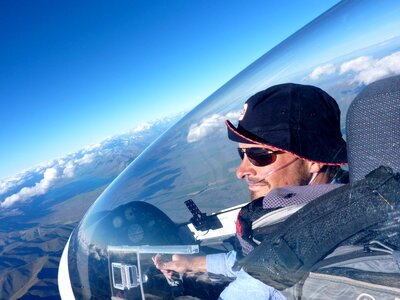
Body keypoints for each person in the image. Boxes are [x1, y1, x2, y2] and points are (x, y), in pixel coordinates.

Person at [154, 83, 347, 299]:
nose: (241, 171)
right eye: (242, 155)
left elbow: (259, 276)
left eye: (259, 155)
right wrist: (192, 263)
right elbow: (254, 262)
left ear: (313, 160)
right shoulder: (299, 219)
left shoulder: (309, 246)